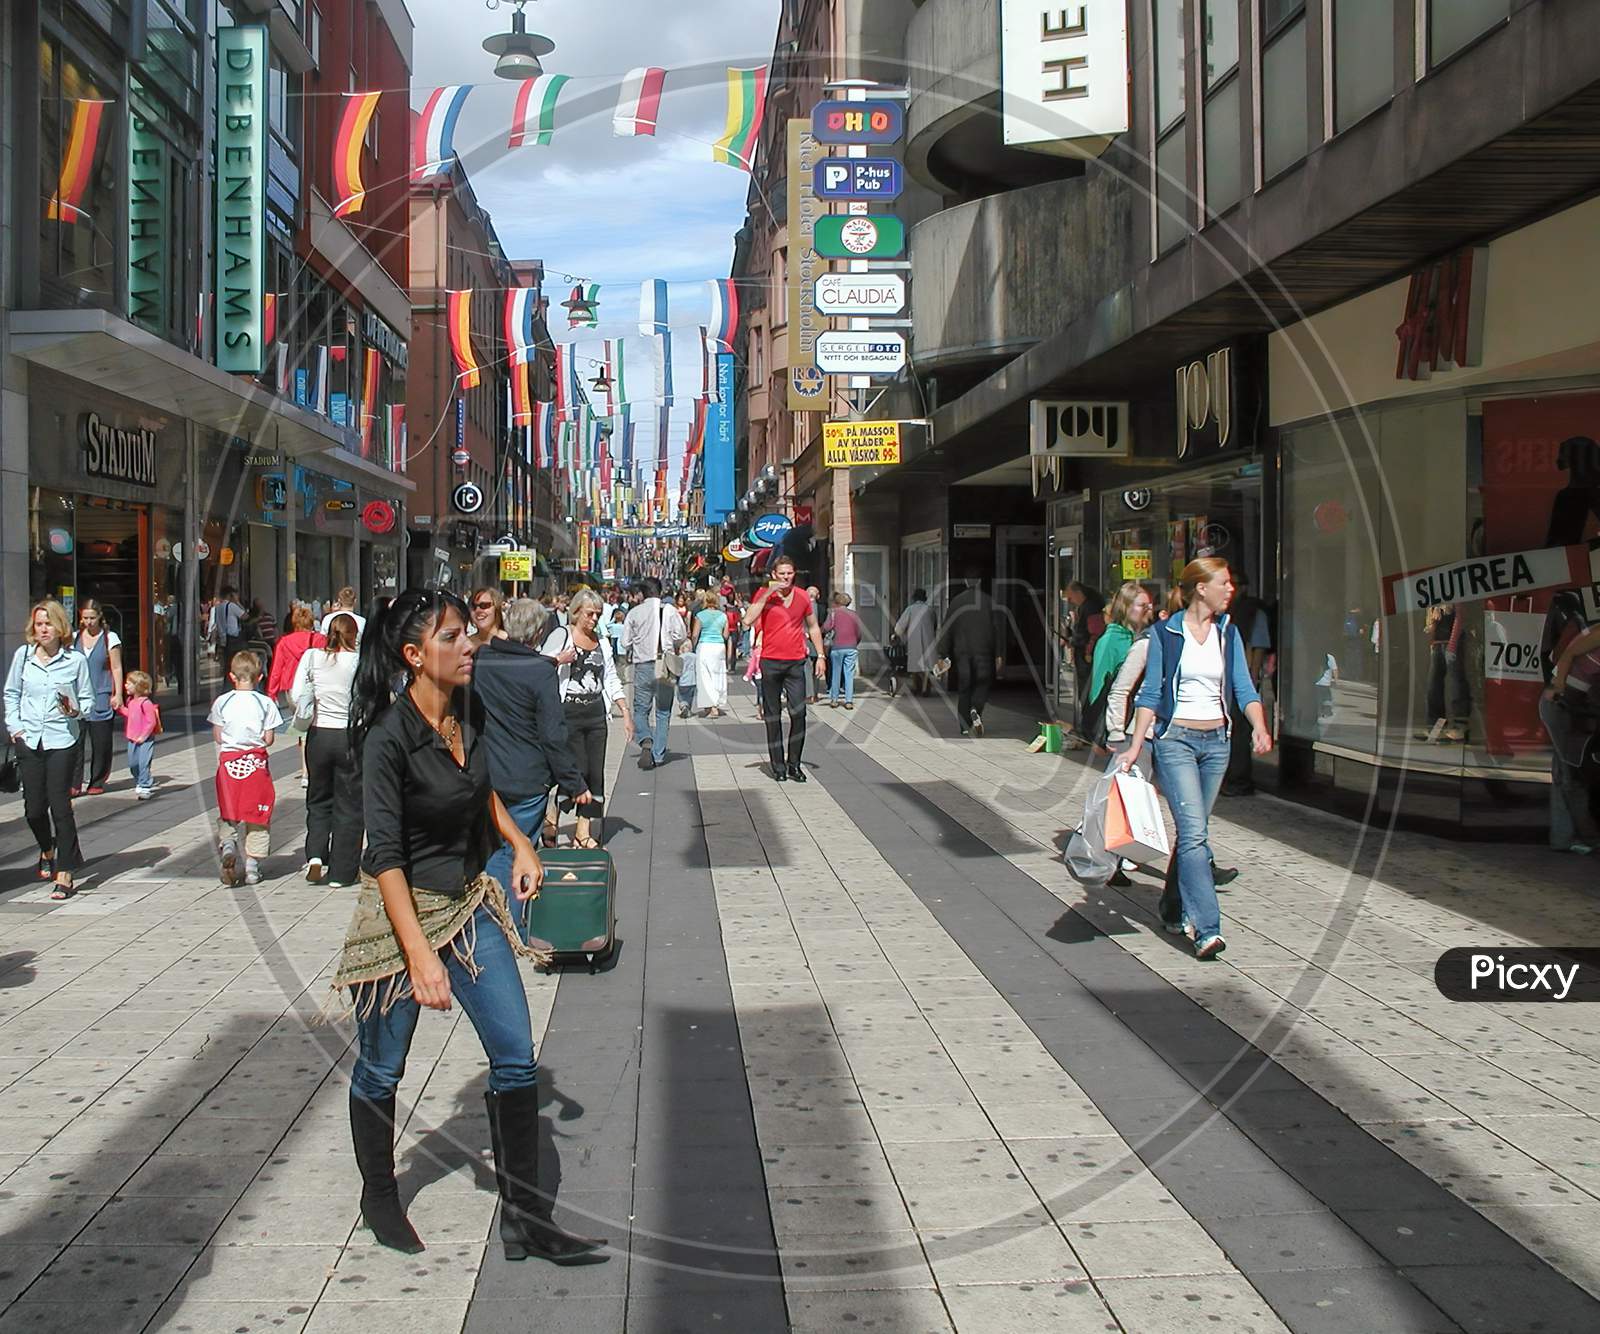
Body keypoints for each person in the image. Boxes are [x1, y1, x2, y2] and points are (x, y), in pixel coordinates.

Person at [333, 589, 605, 1264]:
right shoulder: (388, 738)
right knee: (381, 1069)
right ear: (413, 655)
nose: (469, 646)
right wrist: (420, 957)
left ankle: (526, 1219)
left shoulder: (467, 708)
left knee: (515, 1056)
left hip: (467, 903)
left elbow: (478, 788)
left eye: (468, 633)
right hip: (402, 916)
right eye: (453, 637)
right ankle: (379, 1195)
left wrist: (518, 842)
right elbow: (386, 856)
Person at [1118, 558, 1272, 960]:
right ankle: (1206, 928)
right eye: (1224, 582)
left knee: (1193, 833)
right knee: (1195, 833)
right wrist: (1135, 746)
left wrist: (1259, 725)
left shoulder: (1228, 633)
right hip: (1177, 742)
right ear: (1201, 588)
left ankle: (1170, 906)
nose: (1231, 589)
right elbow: (1150, 694)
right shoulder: (1165, 634)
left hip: (1217, 742)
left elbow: (1243, 686)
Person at [5, 601, 94, 899]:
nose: (43, 629)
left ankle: (65, 872)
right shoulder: (24, 656)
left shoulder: (75, 661)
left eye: (48, 624)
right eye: (39, 624)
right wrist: (15, 728)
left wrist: (74, 711)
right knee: (33, 810)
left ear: (60, 627)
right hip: (29, 739)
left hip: (62, 740)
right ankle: (47, 850)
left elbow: (88, 701)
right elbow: (11, 693)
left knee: (60, 807)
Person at [538, 590, 627, 848]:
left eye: (598, 614)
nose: (594, 619)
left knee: (595, 772)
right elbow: (539, 666)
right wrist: (559, 659)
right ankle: (552, 814)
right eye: (590, 614)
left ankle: (582, 830)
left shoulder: (602, 641)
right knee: (576, 769)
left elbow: (609, 675)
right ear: (576, 612)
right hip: (567, 714)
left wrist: (625, 709)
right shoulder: (562, 635)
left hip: (596, 713)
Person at [293, 613, 363, 887]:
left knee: (318, 797)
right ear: (353, 634)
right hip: (349, 735)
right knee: (349, 802)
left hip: (319, 734)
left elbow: (298, 694)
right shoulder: (358, 661)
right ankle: (342, 871)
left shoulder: (312, 657)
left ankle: (315, 854)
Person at [742, 557, 826, 781]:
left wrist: (821, 656)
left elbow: (813, 626)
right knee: (773, 716)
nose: (786, 577)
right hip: (770, 661)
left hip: (796, 662)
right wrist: (768, 595)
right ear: (774, 575)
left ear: (794, 574)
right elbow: (747, 620)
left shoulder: (802, 596)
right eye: (782, 574)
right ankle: (778, 766)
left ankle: (794, 764)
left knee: (799, 713)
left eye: (790, 573)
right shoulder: (764, 596)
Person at [209, 650, 284, 888]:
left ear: (232, 676)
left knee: (229, 811)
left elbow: (218, 736)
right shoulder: (266, 703)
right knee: (258, 815)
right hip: (256, 764)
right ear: (260, 677)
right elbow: (269, 738)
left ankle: (228, 844)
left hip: (229, 764)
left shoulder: (222, 701)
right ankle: (252, 866)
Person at [621, 577, 688, 770]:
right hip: (664, 665)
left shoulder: (634, 613)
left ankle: (645, 740)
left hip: (642, 665)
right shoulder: (670, 611)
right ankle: (658, 755)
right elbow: (681, 635)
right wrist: (669, 643)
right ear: (660, 591)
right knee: (663, 711)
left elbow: (625, 642)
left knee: (641, 709)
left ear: (642, 593)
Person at [1085, 582, 1154, 748]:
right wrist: (1102, 731)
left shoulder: (1144, 636)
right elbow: (1100, 685)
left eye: (1149, 605)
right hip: (1122, 723)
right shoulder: (1111, 639)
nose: (1148, 609)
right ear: (1125, 607)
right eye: (1142, 605)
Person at [935, 571, 1003, 737]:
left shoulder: (956, 602)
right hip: (984, 651)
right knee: (982, 683)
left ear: (966, 581)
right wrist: (999, 653)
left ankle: (964, 726)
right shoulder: (988, 601)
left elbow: (947, 629)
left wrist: (942, 653)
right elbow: (997, 629)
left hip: (962, 653)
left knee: (964, 687)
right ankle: (976, 709)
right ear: (979, 581)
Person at [267, 604, 326, 791]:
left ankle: (305, 770)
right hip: (315, 688)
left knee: (301, 729)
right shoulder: (320, 640)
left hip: (293, 691)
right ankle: (316, 767)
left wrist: (271, 693)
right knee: (316, 726)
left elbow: (276, 670)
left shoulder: (284, 642)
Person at [68, 599, 123, 796]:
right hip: (77, 698)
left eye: (92, 618)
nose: (88, 622)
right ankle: (74, 783)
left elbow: (116, 667)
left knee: (101, 743)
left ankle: (97, 780)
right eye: (85, 618)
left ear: (100, 617)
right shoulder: (74, 638)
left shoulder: (110, 638)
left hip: (101, 694)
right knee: (75, 741)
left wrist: (118, 694)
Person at [1420, 602, 1472, 743]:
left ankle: (1460, 726)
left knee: (1456, 681)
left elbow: (1459, 617)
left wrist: (1453, 644)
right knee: (1433, 685)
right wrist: (1431, 640)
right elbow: (1431, 622)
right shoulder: (1433, 600)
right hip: (1438, 642)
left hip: (1451, 640)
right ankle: (1435, 727)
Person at [1062, 582, 1106, 745]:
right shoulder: (1089, 606)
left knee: (1087, 691)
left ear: (1078, 593)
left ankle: (1089, 729)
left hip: (1087, 655)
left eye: (1071, 597)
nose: (1071, 601)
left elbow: (1094, 633)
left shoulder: (1090, 608)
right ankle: (1088, 727)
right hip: (1086, 652)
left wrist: (1083, 647)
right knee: (1086, 691)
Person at [118, 671, 160, 801]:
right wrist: (119, 708)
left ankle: (145, 785)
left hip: (145, 740)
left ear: (138, 686)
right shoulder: (131, 701)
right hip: (132, 738)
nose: (125, 685)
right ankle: (140, 781)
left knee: (143, 763)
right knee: (133, 763)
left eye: (129, 683)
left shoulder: (145, 703)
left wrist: (144, 736)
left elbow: (151, 721)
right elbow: (129, 714)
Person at [691, 590, 729, 717]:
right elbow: (726, 635)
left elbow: (695, 634)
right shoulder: (723, 616)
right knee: (717, 676)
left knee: (704, 676)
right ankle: (715, 705)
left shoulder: (700, 615)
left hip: (705, 646)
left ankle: (710, 706)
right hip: (718, 646)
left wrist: (693, 644)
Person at [824, 592, 864, 709]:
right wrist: (855, 642)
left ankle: (834, 699)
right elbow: (859, 632)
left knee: (836, 673)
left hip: (837, 647)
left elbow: (827, 627)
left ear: (837, 602)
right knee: (849, 674)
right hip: (851, 647)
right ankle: (849, 700)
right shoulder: (854, 615)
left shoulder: (833, 614)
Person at [894, 590, 938, 697]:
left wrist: (899, 635)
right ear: (925, 598)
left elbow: (899, 628)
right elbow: (935, 624)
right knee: (927, 666)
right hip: (928, 640)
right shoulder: (930, 610)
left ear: (914, 598)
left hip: (914, 640)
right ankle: (925, 688)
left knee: (915, 665)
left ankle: (917, 687)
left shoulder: (910, 609)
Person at [209, 586, 247, 671]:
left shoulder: (218, 607)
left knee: (227, 665)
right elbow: (245, 616)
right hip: (233, 639)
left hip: (223, 639)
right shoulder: (232, 606)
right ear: (231, 595)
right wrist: (237, 602)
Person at [804, 584, 824, 703]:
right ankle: (815, 694)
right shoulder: (823, 608)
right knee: (817, 668)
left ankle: (809, 694)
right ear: (818, 596)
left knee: (807, 668)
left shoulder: (803, 607)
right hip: (818, 641)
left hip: (805, 640)